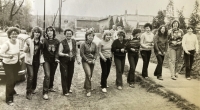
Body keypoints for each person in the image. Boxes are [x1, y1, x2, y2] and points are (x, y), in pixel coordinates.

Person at [0, 27, 22, 105]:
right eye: (12, 34)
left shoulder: (18, 41)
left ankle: (12, 90)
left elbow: (18, 52)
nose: (14, 35)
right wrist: (8, 56)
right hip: (7, 64)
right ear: (9, 35)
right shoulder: (6, 44)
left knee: (16, 78)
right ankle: (9, 99)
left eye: (15, 34)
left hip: (15, 63)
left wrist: (19, 59)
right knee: (10, 80)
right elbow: (0, 54)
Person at [23, 27, 43, 100]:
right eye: (35, 32)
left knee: (35, 75)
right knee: (30, 75)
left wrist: (41, 61)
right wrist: (27, 45)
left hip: (36, 61)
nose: (37, 33)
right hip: (29, 61)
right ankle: (28, 92)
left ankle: (33, 88)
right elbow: (25, 51)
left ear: (40, 34)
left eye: (38, 32)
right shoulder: (29, 41)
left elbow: (41, 53)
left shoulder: (41, 42)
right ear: (33, 33)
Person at [58, 29, 80, 96]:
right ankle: (65, 91)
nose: (69, 35)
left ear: (72, 34)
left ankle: (68, 88)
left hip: (71, 61)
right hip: (63, 61)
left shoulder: (74, 41)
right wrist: (65, 54)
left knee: (70, 74)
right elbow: (59, 53)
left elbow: (76, 51)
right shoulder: (62, 42)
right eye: (67, 34)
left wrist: (78, 59)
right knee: (64, 75)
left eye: (70, 34)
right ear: (65, 34)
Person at [42, 26, 60, 100]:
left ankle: (50, 87)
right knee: (47, 75)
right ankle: (45, 92)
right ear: (46, 32)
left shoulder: (57, 41)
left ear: (53, 32)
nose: (49, 32)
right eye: (48, 31)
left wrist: (56, 58)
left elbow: (57, 51)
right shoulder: (44, 41)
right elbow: (41, 50)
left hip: (54, 61)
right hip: (46, 60)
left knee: (52, 74)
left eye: (51, 31)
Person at [80, 30, 98, 97]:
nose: (90, 37)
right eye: (89, 36)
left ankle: (86, 86)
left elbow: (96, 53)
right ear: (86, 36)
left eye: (92, 36)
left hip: (92, 61)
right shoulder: (83, 44)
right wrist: (87, 60)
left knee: (90, 75)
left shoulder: (94, 44)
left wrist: (94, 59)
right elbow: (81, 54)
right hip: (85, 61)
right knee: (88, 74)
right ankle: (88, 90)